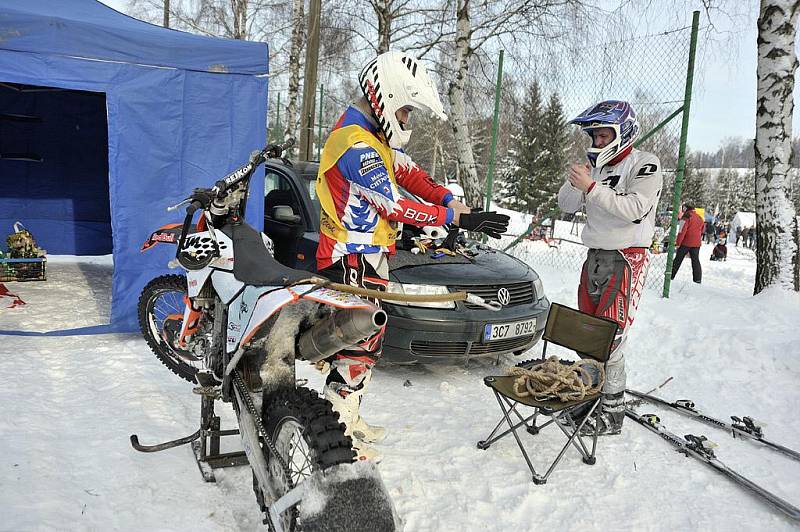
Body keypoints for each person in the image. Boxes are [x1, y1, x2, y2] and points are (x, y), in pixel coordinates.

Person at [315, 51, 510, 460]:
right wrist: (451, 219)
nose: (407, 119)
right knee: (357, 342)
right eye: (405, 109)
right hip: (352, 254)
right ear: (385, 97)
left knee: (368, 339)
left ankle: (347, 417)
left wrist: (453, 203)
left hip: (369, 254)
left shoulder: (372, 139)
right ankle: (337, 431)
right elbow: (393, 205)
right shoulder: (355, 143)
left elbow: (409, 173)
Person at [557, 100, 662, 436]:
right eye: (595, 136)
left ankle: (612, 413)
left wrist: (592, 188)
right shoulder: (595, 167)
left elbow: (634, 209)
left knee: (611, 337)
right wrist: (577, 183)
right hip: (595, 255)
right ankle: (587, 400)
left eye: (604, 135)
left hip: (628, 257)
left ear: (622, 132)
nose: (598, 142)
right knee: (587, 332)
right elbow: (566, 205)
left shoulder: (645, 164)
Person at [671, 203, 703, 283]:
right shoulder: (700, 217)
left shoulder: (685, 217)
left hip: (686, 242)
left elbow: (682, 231)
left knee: (678, 259)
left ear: (685, 209)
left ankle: (670, 275)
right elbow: (702, 230)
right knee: (695, 260)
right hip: (697, 243)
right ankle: (697, 279)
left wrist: (678, 243)